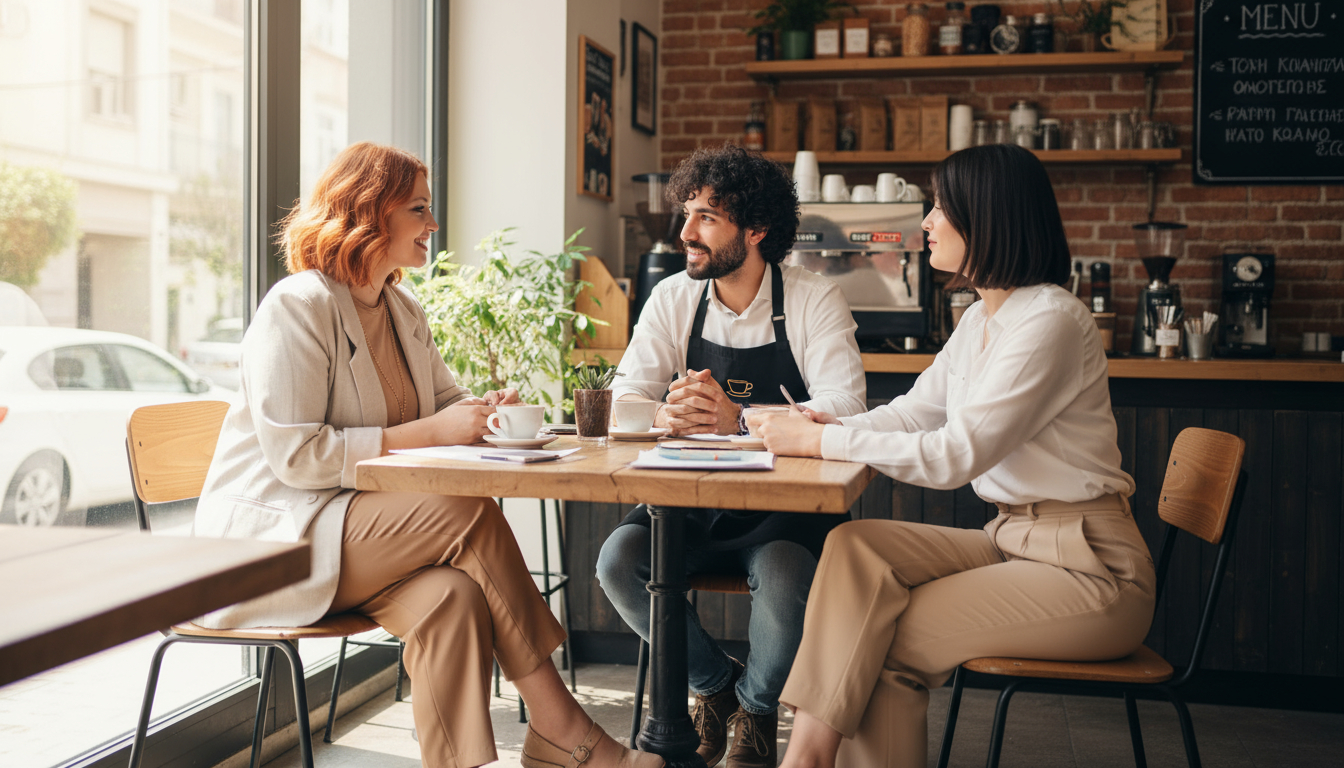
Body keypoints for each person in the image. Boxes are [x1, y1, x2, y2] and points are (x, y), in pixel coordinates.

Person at [194, 142, 662, 768]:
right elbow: (299, 457)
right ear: (370, 213)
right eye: (420, 209)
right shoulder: (298, 305)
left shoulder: (401, 307)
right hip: (280, 540)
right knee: (462, 511)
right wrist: (435, 430)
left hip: (357, 533)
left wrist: (486, 412)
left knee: (453, 598)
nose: (434, 225)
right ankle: (561, 727)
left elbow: (445, 401)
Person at [760, 144, 1157, 768]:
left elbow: (954, 457)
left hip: (1090, 569)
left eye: (941, 206)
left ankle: (805, 760)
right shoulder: (980, 320)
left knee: (884, 639)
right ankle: (807, 758)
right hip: (1013, 539)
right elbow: (916, 412)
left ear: (989, 216)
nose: (925, 220)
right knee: (855, 545)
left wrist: (819, 443)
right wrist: (826, 419)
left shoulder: (1050, 321)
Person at [596, 145, 867, 768]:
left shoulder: (811, 300)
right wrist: (665, 414)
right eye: (687, 214)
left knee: (784, 579)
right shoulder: (672, 299)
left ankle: (758, 709)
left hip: (784, 512)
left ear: (757, 230)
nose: (685, 233)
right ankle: (718, 688)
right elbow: (622, 400)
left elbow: (847, 406)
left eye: (707, 218)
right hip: (686, 504)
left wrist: (738, 418)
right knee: (619, 563)